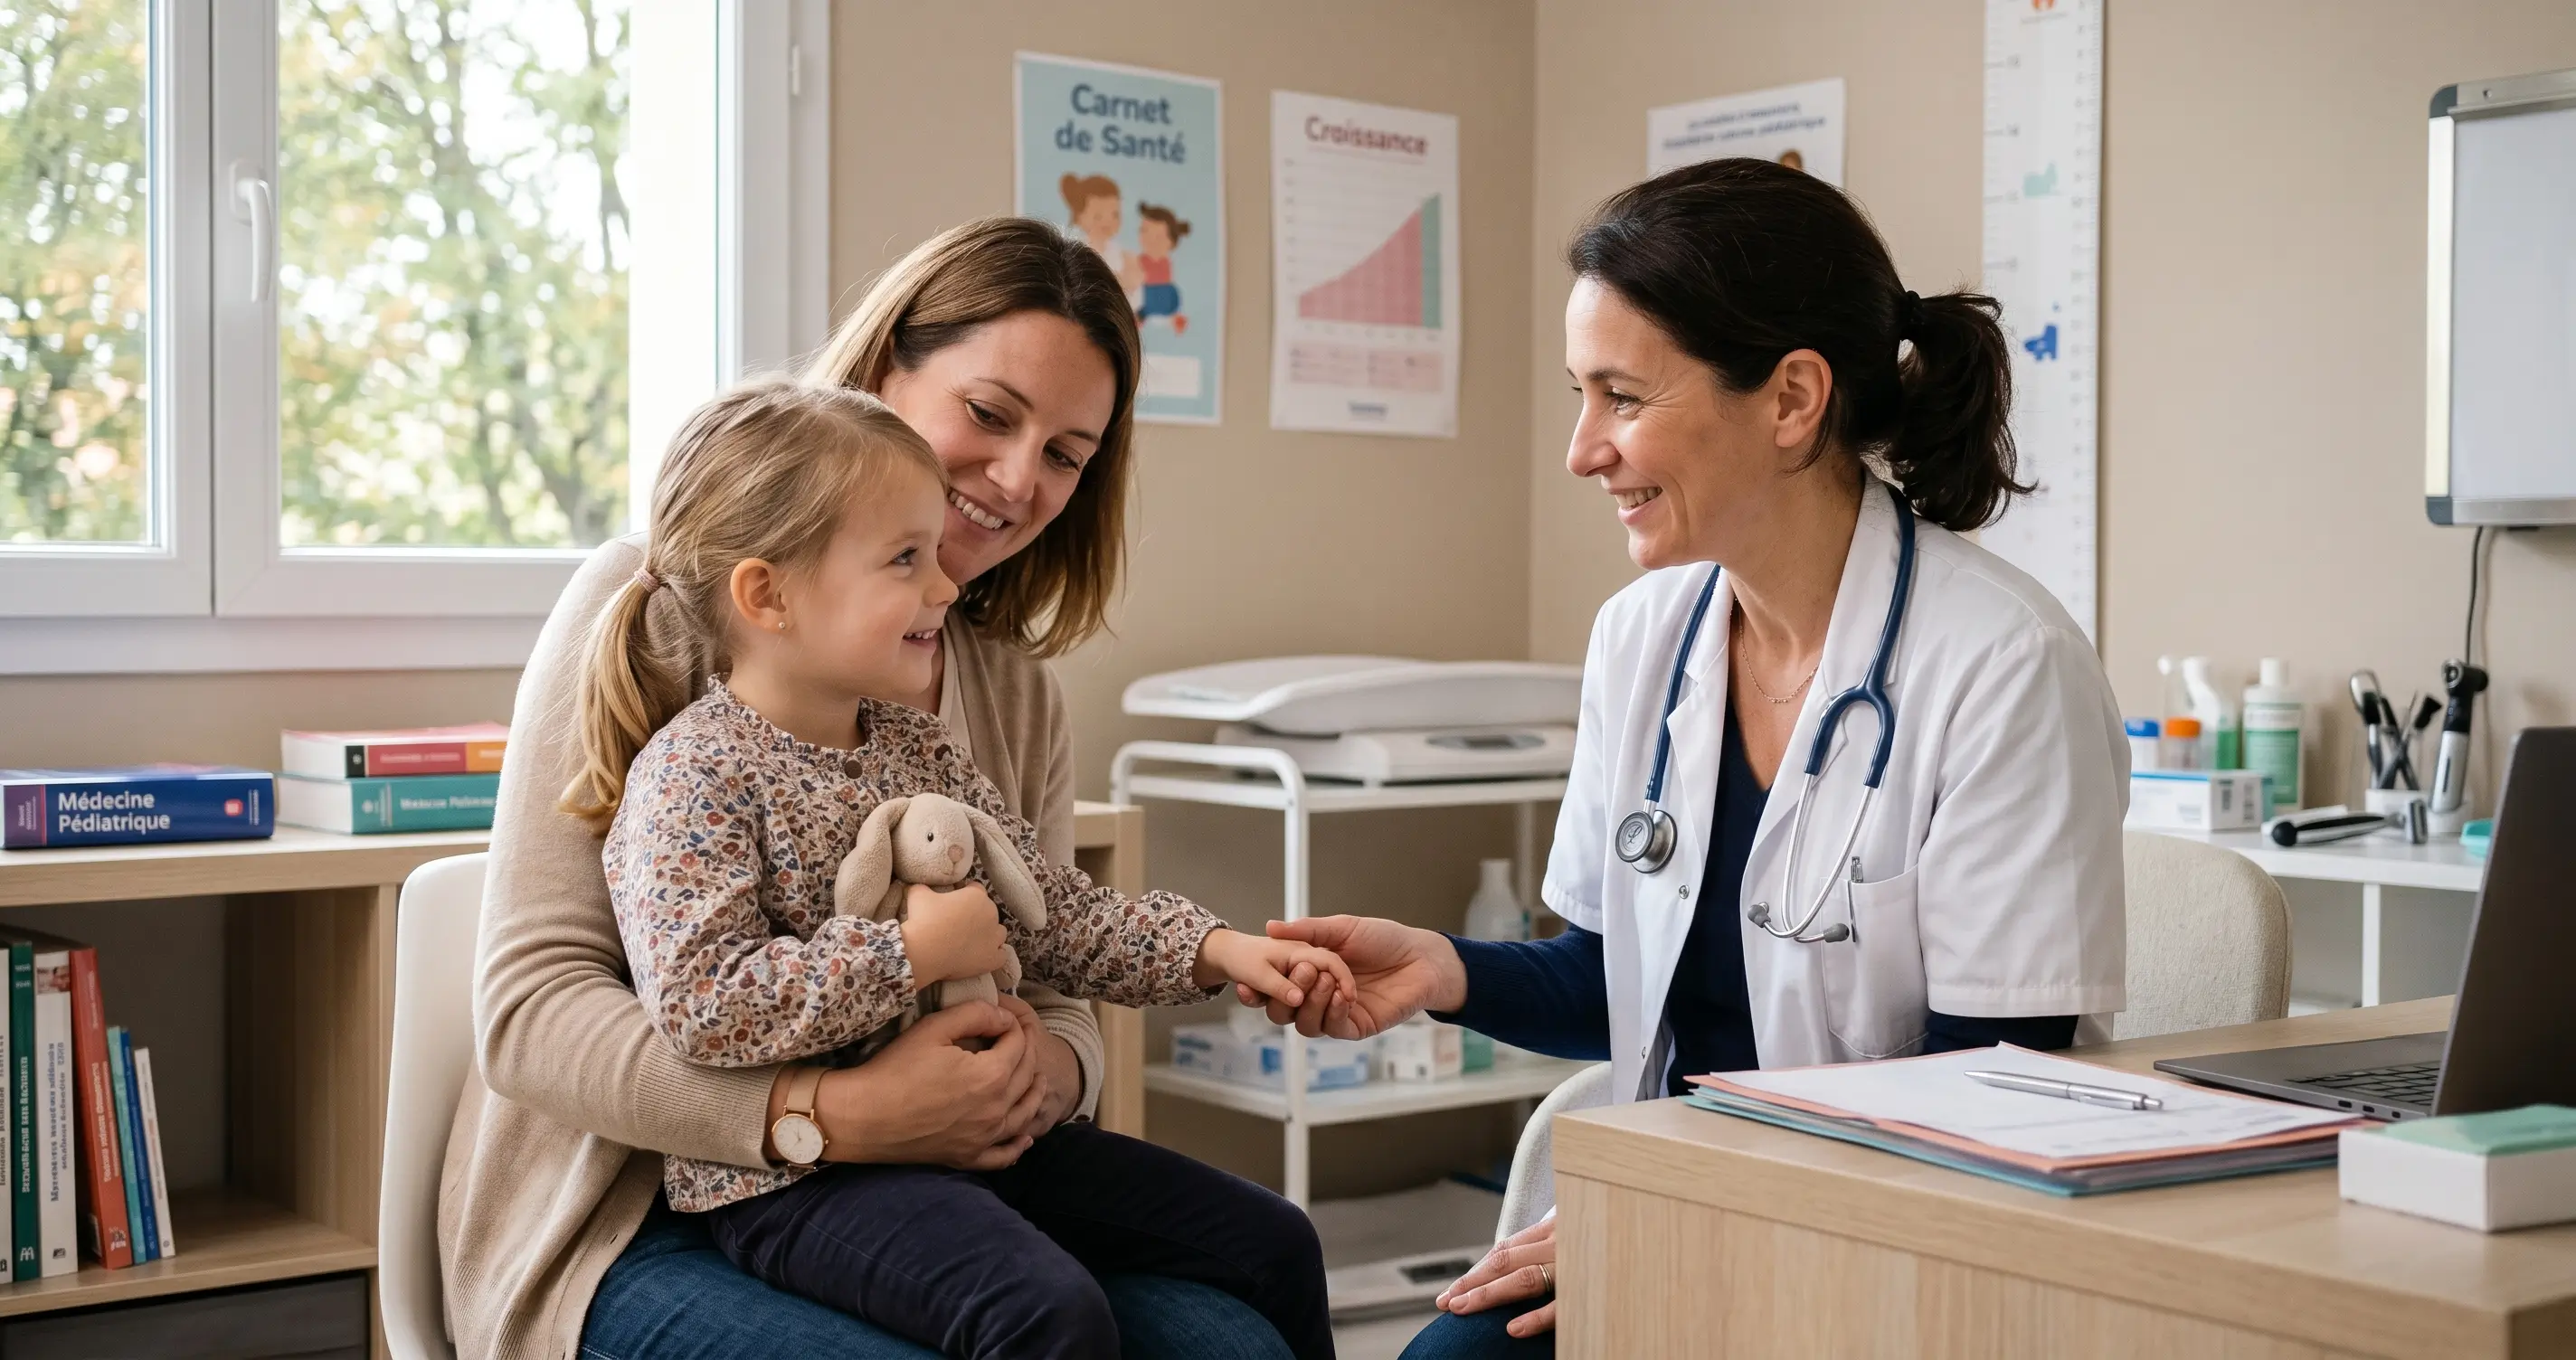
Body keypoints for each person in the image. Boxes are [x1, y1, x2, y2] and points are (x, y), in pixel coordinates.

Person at [1252, 157, 2130, 1357]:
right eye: (1582, 396)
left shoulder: (2002, 664)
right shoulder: (1645, 638)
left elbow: (1987, 1084)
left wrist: (1689, 1214)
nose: (1582, 450)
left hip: (1890, 1250)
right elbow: (1614, 981)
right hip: (1683, 1207)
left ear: (1791, 399)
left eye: (1620, 396)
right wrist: (1444, 970)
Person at [442, 219, 1304, 1360]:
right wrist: (834, 1113)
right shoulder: (656, 619)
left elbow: (1046, 945)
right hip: (634, 1209)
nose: (1018, 478)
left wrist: (1046, 1071)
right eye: (989, 413)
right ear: (885, 371)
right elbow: (535, 1013)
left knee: (1236, 1334)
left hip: (956, 1180)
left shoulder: (1000, 696)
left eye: (1065, 454)